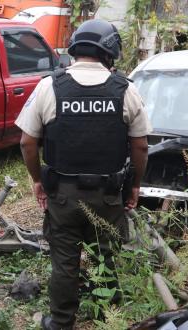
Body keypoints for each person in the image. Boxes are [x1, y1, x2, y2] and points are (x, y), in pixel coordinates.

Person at [16, 19, 151, 329]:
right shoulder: (125, 90)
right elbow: (141, 147)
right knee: (106, 256)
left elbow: (27, 141)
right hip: (108, 195)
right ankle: (105, 317)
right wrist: (134, 187)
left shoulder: (49, 85)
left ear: (76, 48)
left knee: (64, 263)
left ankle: (61, 322)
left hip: (63, 196)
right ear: (111, 52)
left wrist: (38, 181)